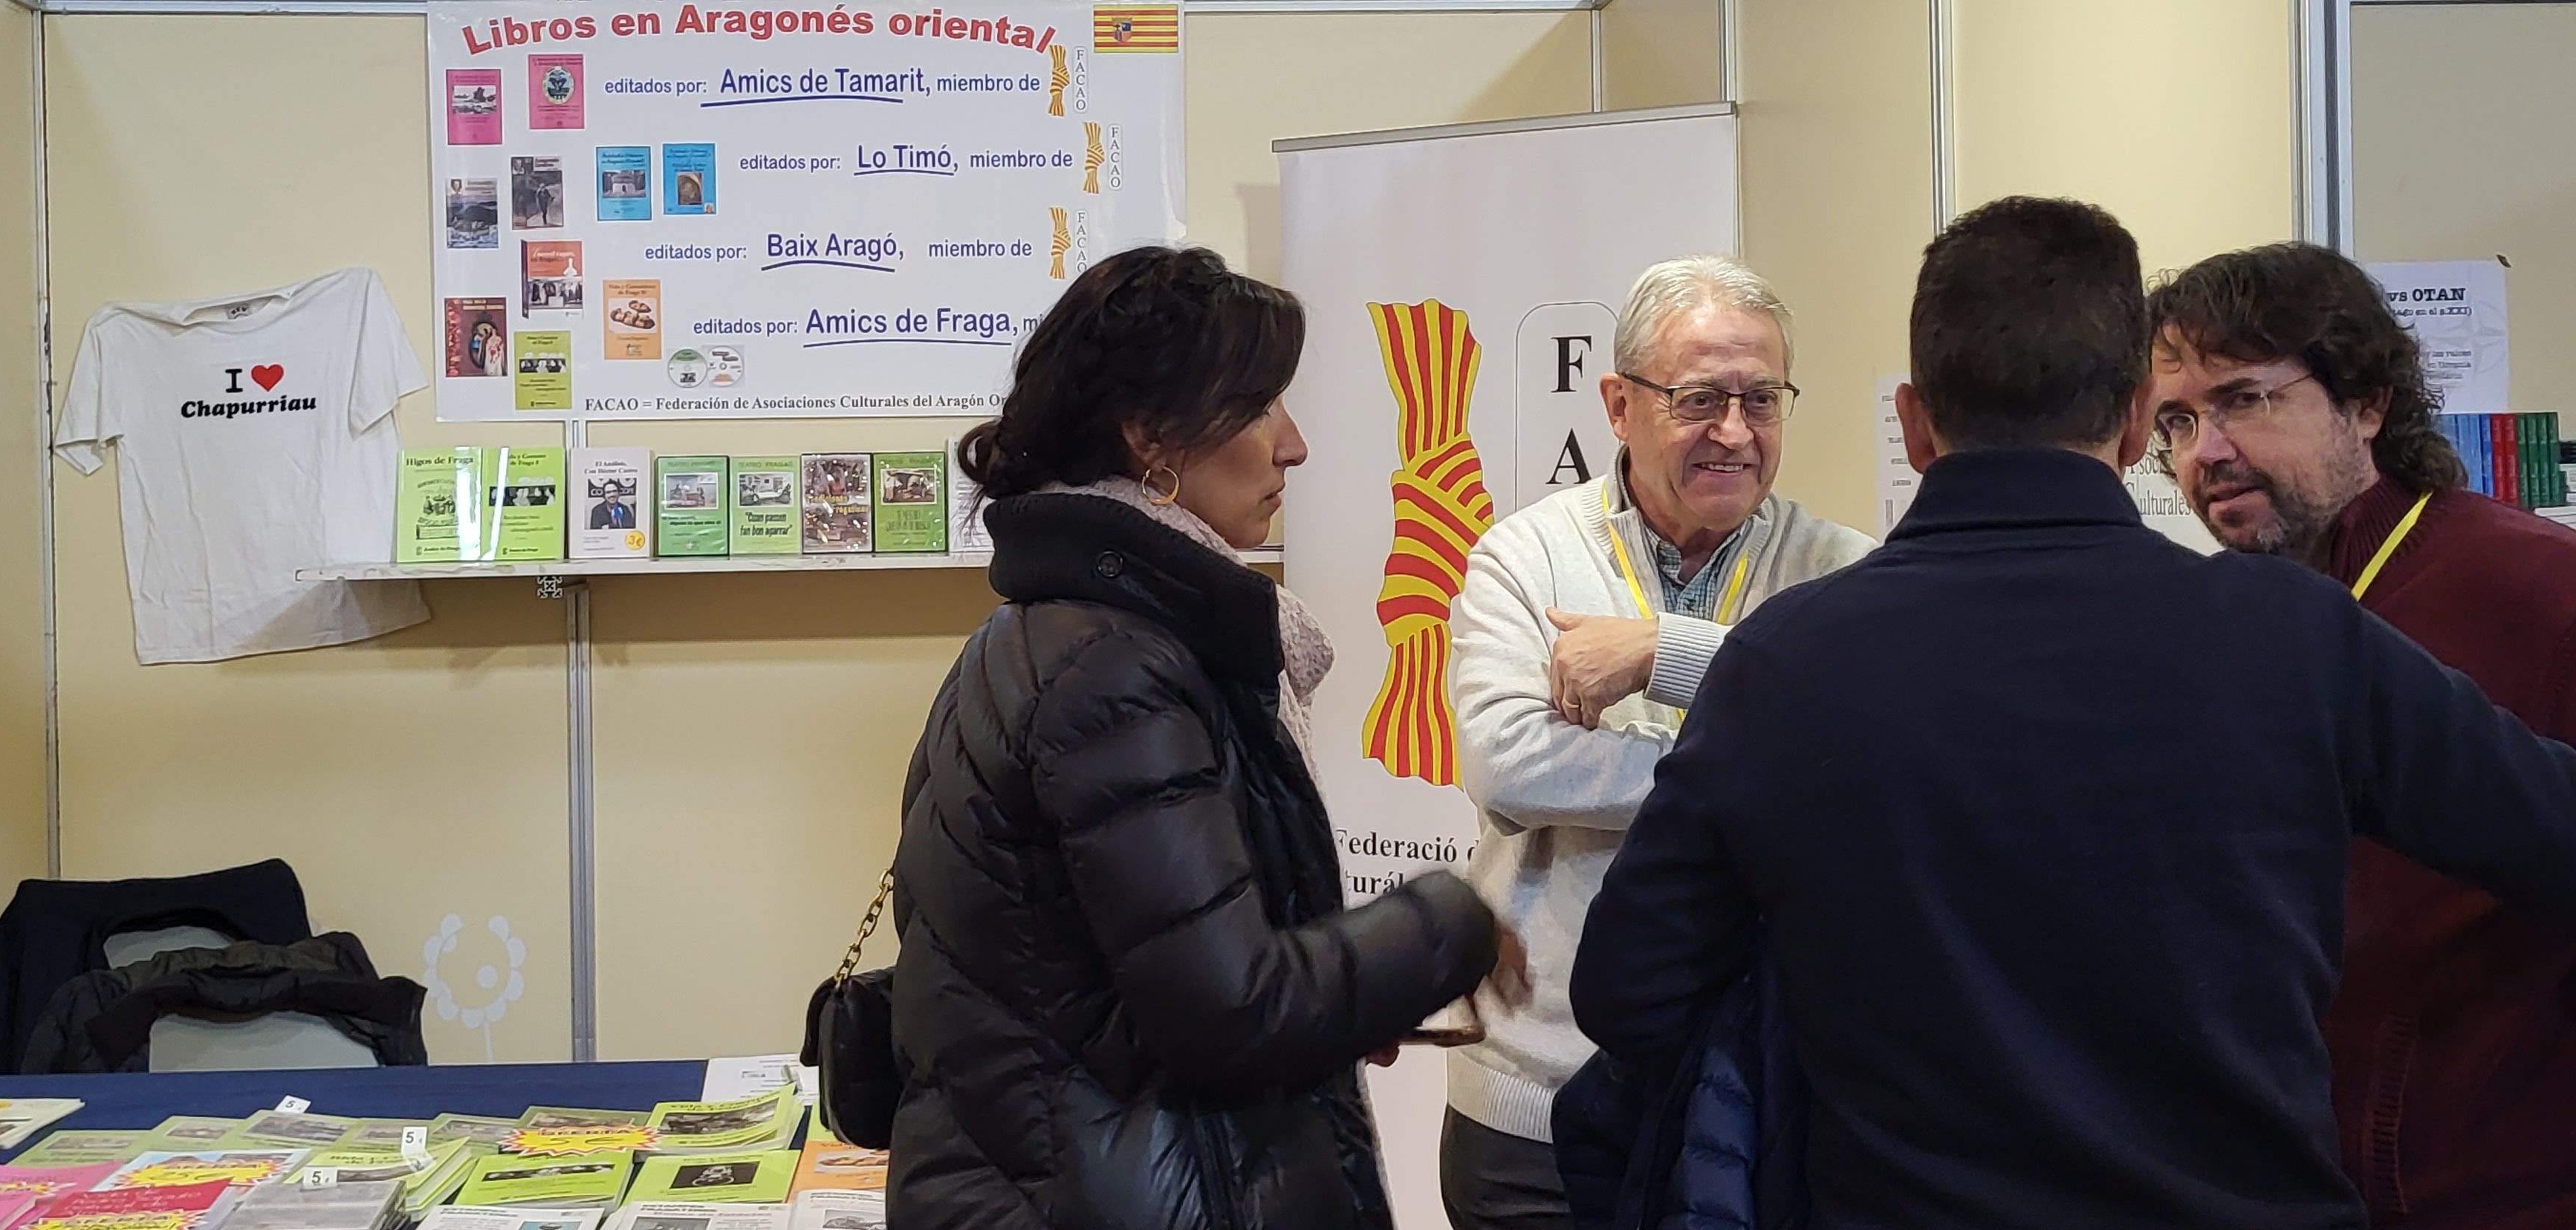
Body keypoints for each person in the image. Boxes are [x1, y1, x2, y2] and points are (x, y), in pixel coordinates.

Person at [1567, 195, 2576, 1230]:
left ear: (1914, 424)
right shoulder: (2296, 637)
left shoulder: (1785, 666)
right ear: (2140, 418)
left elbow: (1625, 989)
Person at [889, 245, 1519, 1230]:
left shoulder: (1047, 637)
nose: (1294, 444)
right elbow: (1231, 1010)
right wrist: (1453, 927)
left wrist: (1342, 996)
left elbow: (1142, 973)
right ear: (1151, 437)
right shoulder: (1116, 671)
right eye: (1262, 403)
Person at [2150, 243, 2576, 1229]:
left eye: (2246, 400)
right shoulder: (2244, 620)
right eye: (2177, 420)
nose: (2204, 452)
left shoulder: (2538, 596)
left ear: (2369, 403)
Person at [1440, 256, 1871, 1229]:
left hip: (1765, 1094)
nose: (1734, 431)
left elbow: (1864, 745)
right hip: (1532, 1103)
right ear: (1619, 402)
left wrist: (1663, 653)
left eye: (1761, 398)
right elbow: (1510, 760)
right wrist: (1763, 767)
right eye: (1699, 398)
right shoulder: (1524, 556)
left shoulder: (1842, 571)